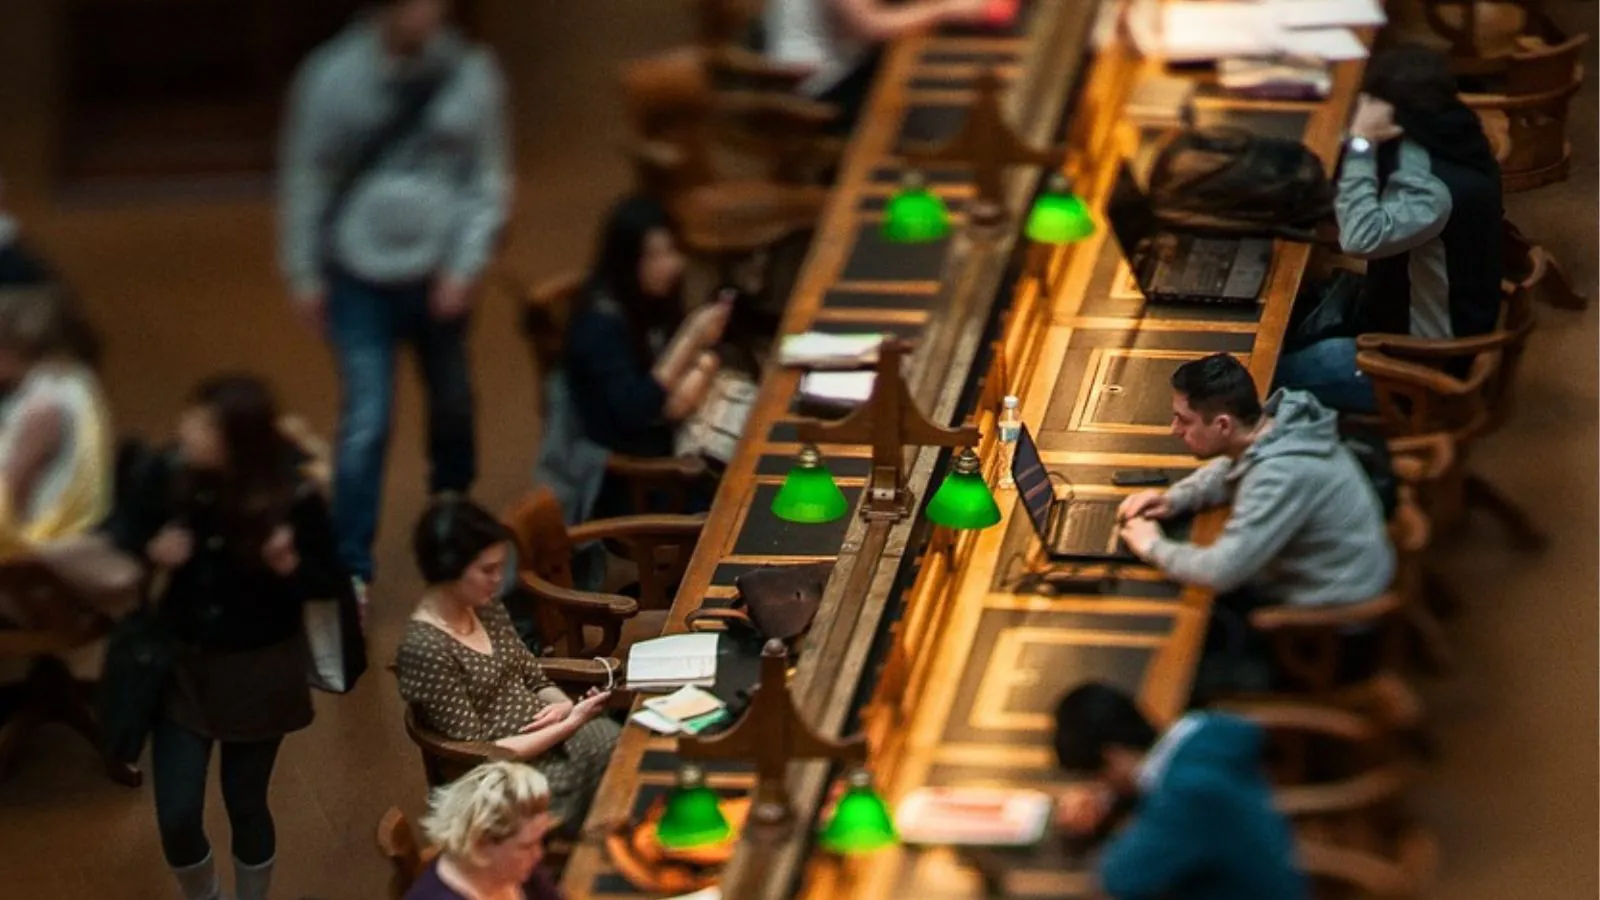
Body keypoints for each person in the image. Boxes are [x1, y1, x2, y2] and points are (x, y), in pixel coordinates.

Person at [278, 0, 511, 598]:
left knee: (454, 405)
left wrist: (464, 266)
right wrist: (304, 272)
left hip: (437, 274)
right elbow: (307, 177)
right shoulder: (329, 77)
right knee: (367, 420)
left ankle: (451, 524)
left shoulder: (470, 72)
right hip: (359, 274)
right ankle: (351, 564)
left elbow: (487, 178)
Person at [105, 375, 349, 900]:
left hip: (260, 670)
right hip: (183, 666)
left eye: (203, 425)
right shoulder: (169, 475)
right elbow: (121, 532)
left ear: (236, 438)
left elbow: (330, 578)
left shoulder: (292, 496)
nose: (185, 431)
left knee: (246, 801)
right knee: (177, 813)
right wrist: (151, 550)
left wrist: (290, 567)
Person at [1275, 43, 1503, 413]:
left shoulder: (1432, 190)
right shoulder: (1454, 130)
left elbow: (1358, 238)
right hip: (1406, 312)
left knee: (1266, 371)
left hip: (1417, 362)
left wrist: (1362, 143)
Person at [397, 496, 620, 833]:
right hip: (506, 777)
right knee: (614, 766)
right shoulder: (425, 648)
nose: (499, 579)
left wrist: (562, 706)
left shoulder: (483, 604)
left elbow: (531, 673)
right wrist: (569, 723)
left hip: (548, 736)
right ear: (448, 571)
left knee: (621, 743)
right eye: (488, 570)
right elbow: (479, 755)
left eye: (500, 567)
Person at [1118, 354, 1393, 609]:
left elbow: (1221, 571)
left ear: (1223, 425)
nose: (1174, 430)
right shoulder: (1279, 425)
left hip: (1334, 604)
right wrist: (1174, 498)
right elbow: (1235, 462)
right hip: (1328, 571)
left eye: (1183, 420)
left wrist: (1151, 545)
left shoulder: (1280, 475)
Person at [1052, 682, 1306, 900]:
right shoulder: (1199, 728)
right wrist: (1114, 798)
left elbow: (1118, 877)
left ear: (1112, 757)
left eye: (1099, 778)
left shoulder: (1186, 796)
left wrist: (1102, 826)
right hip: (1276, 871)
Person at [558, 196, 728, 520]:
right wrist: (691, 339)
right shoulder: (599, 325)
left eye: (672, 251)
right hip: (635, 478)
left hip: (669, 441)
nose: (671, 265)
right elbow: (634, 411)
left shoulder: (650, 297)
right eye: (655, 256)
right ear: (626, 260)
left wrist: (700, 363)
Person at [764, 0, 994, 132]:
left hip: (840, 62)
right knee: (928, 91)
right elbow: (872, 27)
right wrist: (946, 11)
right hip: (819, 88)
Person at [407, 760, 564, 900]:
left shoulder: (514, 870)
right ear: (480, 844)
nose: (538, 854)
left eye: (539, 840)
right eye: (526, 846)